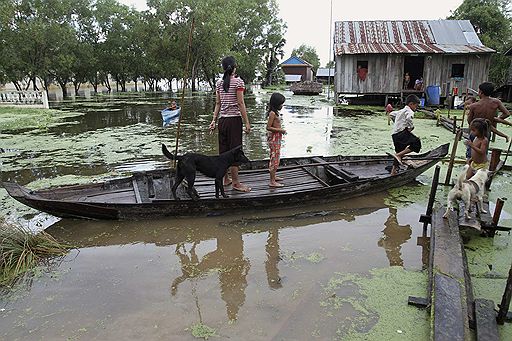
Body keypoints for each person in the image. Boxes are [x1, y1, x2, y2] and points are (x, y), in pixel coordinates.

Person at [209, 56, 252, 193]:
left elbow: (218, 104)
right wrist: (247, 122)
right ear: (233, 68)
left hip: (222, 121)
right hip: (234, 121)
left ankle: (225, 179)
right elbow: (240, 103)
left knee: (224, 152)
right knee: (235, 152)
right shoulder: (238, 82)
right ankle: (236, 183)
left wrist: (214, 120)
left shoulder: (219, 83)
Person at [465, 82, 511, 162]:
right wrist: (496, 118)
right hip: (487, 131)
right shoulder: (496, 102)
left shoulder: (474, 106)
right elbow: (507, 113)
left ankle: (470, 163)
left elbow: (470, 121)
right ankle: (481, 165)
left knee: (471, 150)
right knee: (484, 149)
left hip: (475, 131)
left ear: (481, 92)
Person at [389, 95, 422, 175]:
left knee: (400, 151)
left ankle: (393, 171)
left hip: (395, 135)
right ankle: (398, 155)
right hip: (401, 134)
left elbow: (392, 114)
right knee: (417, 143)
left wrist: (396, 122)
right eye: (416, 106)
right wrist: (410, 127)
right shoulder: (409, 111)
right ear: (411, 104)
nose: (416, 108)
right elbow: (409, 118)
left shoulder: (400, 111)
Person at [266, 93, 287, 187]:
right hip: (274, 139)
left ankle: (274, 176)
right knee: (274, 158)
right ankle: (272, 181)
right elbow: (268, 127)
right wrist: (280, 130)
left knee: (276, 157)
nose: (282, 106)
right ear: (276, 103)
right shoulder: (272, 113)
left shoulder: (275, 113)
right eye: (281, 104)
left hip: (277, 138)